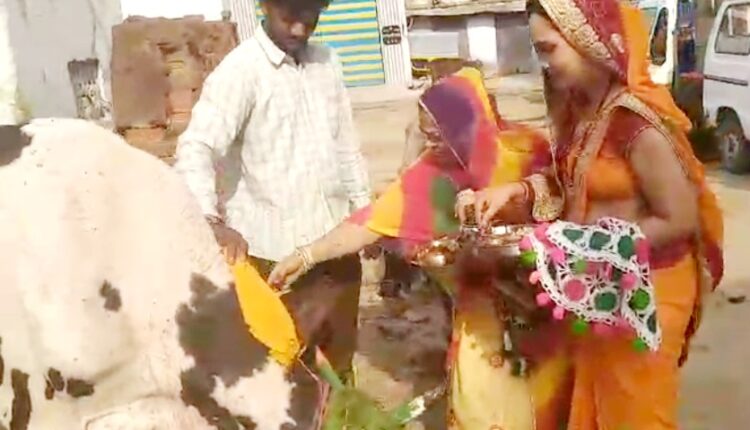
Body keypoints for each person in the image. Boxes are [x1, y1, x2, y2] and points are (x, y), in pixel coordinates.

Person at [460, 0, 724, 428]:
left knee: (634, 415)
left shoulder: (635, 124)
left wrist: (582, 245)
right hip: (597, 286)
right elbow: (573, 182)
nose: (544, 64)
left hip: (647, 293)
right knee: (595, 406)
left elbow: (679, 219)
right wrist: (517, 191)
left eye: (549, 49)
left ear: (588, 40)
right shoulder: (583, 114)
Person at [270, 68, 573, 429]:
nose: (433, 145)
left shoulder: (527, 150)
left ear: (469, 124)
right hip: (480, 320)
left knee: (548, 406)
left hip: (544, 309)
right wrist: (307, 255)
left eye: (440, 135)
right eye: (427, 136)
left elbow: (569, 199)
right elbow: (369, 222)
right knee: (480, 405)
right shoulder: (430, 173)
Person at [174, 0, 371, 378]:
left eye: (310, 18)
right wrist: (210, 221)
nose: (299, 29)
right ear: (264, 6)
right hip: (276, 261)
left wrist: (365, 213)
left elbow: (346, 144)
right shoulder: (241, 71)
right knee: (284, 376)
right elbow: (196, 147)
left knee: (338, 369)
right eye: (289, 17)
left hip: (336, 250)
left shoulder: (327, 63)